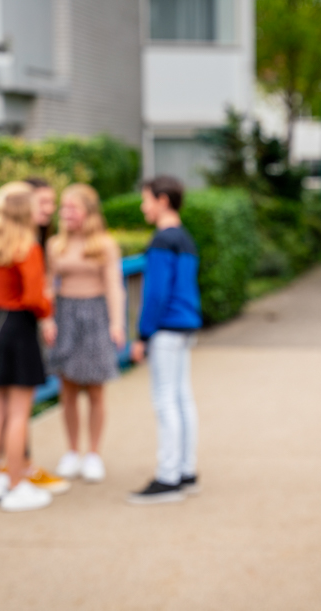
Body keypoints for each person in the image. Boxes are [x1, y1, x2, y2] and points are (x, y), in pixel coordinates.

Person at [0, 181, 57, 512]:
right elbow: (33, 297)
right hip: (19, 329)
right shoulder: (28, 248)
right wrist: (48, 309)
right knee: (19, 413)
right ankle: (17, 484)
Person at [42, 184, 125, 482]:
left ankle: (93, 453)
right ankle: (72, 451)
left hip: (95, 315)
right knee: (67, 389)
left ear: (88, 211)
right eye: (63, 207)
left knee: (95, 389)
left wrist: (117, 324)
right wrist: (47, 320)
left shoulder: (104, 245)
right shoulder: (55, 245)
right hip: (65, 315)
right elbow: (48, 285)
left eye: (72, 207)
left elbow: (114, 285)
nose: (66, 213)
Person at [128, 176, 202, 505]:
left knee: (165, 400)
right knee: (182, 398)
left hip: (166, 328)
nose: (142, 206)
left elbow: (155, 293)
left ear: (162, 201)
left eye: (146, 200)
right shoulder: (185, 238)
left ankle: (168, 477)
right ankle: (185, 470)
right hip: (185, 325)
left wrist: (142, 335)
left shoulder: (162, 241)